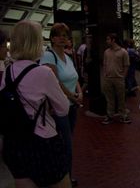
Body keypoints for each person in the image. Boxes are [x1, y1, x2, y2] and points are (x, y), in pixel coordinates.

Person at [0, 20, 71, 187]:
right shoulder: (43, 72)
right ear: (35, 42)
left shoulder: (8, 70)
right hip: (42, 142)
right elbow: (63, 109)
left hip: (14, 143)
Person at [39, 22, 82, 186]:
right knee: (66, 145)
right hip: (58, 108)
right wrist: (73, 96)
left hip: (71, 107)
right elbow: (55, 82)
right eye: (59, 35)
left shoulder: (67, 57)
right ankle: (63, 179)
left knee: (67, 142)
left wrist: (80, 92)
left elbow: (75, 77)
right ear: (52, 38)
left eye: (65, 35)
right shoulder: (49, 56)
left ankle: (65, 176)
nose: (63, 38)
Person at [101, 33, 132, 124]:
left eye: (108, 39)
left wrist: (123, 76)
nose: (106, 41)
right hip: (108, 79)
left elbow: (126, 65)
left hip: (119, 79)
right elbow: (105, 64)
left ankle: (123, 115)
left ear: (113, 40)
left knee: (121, 98)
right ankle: (110, 115)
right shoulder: (106, 52)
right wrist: (105, 74)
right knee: (109, 98)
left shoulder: (123, 52)